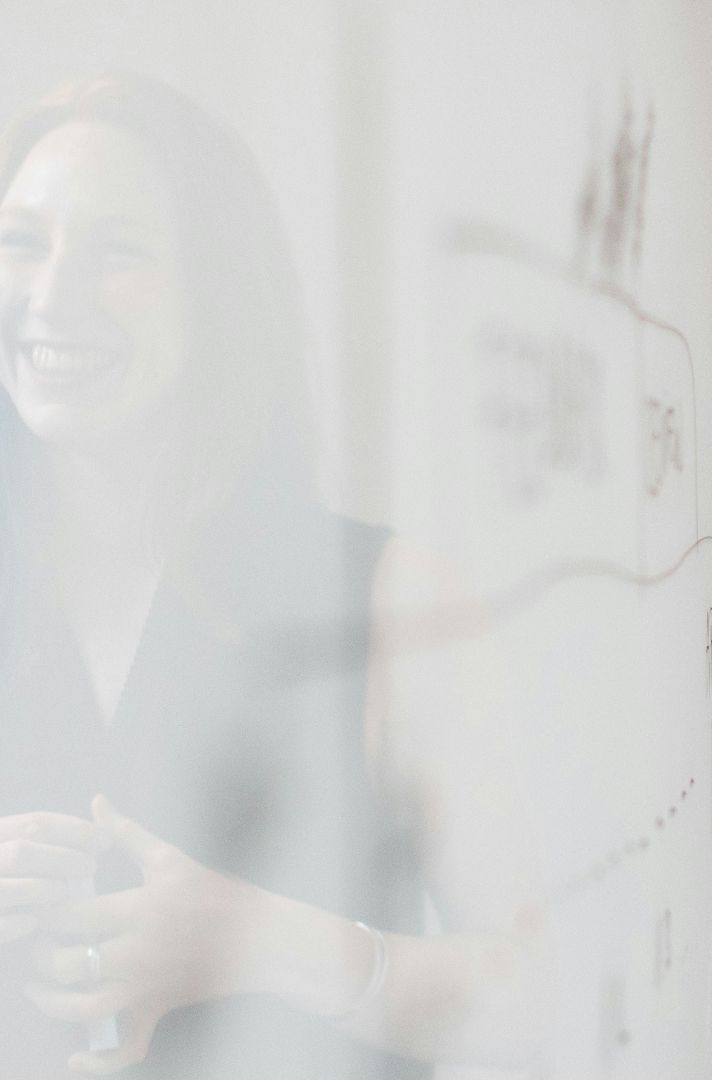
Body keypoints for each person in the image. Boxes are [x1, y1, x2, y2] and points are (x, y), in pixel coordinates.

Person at [0, 73, 539, 1076]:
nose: (50, 294)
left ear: (220, 296)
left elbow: (538, 1003)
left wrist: (257, 943)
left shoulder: (391, 602)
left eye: (116, 252)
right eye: (22, 242)